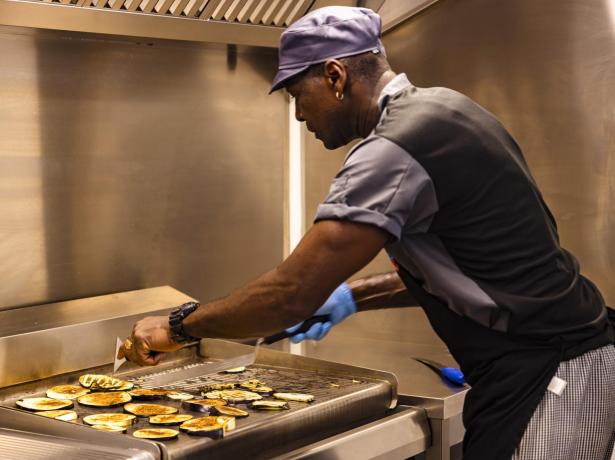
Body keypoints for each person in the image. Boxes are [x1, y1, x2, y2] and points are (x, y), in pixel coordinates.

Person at [119, 6, 615, 460]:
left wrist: (178, 326)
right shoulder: (448, 108)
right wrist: (352, 295)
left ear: (335, 77)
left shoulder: (392, 148)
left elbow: (290, 292)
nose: (298, 115)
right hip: (550, 361)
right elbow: (473, 261)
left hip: (554, 370)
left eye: (297, 94)